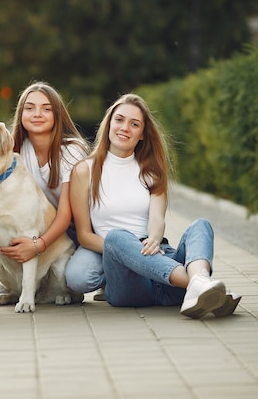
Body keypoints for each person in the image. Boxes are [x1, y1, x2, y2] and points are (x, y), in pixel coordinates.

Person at [64, 93, 241, 318]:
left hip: (159, 264)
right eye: (119, 120)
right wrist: (127, 251)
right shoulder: (83, 170)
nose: (125, 128)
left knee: (201, 226)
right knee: (117, 237)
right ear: (109, 124)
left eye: (134, 124)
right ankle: (197, 284)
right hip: (127, 282)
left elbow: (157, 218)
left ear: (142, 135)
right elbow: (84, 235)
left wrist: (155, 239)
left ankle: (196, 288)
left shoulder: (151, 171)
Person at [0, 81, 90, 305]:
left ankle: (101, 272)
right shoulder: (17, 149)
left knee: (78, 277)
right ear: (21, 114)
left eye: (46, 109)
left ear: (57, 115)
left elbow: (66, 214)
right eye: (29, 108)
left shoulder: (71, 150)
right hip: (40, 224)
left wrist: (38, 245)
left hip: (76, 228)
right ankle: (11, 284)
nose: (37, 114)